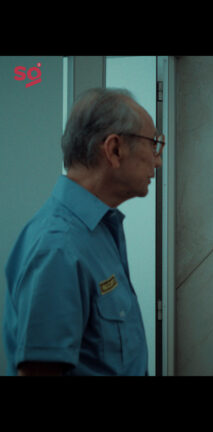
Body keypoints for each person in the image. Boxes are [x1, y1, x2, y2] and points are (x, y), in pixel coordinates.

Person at [3, 88, 164, 376]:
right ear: (114, 149)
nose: (158, 161)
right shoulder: (59, 246)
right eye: (153, 145)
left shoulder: (99, 230)